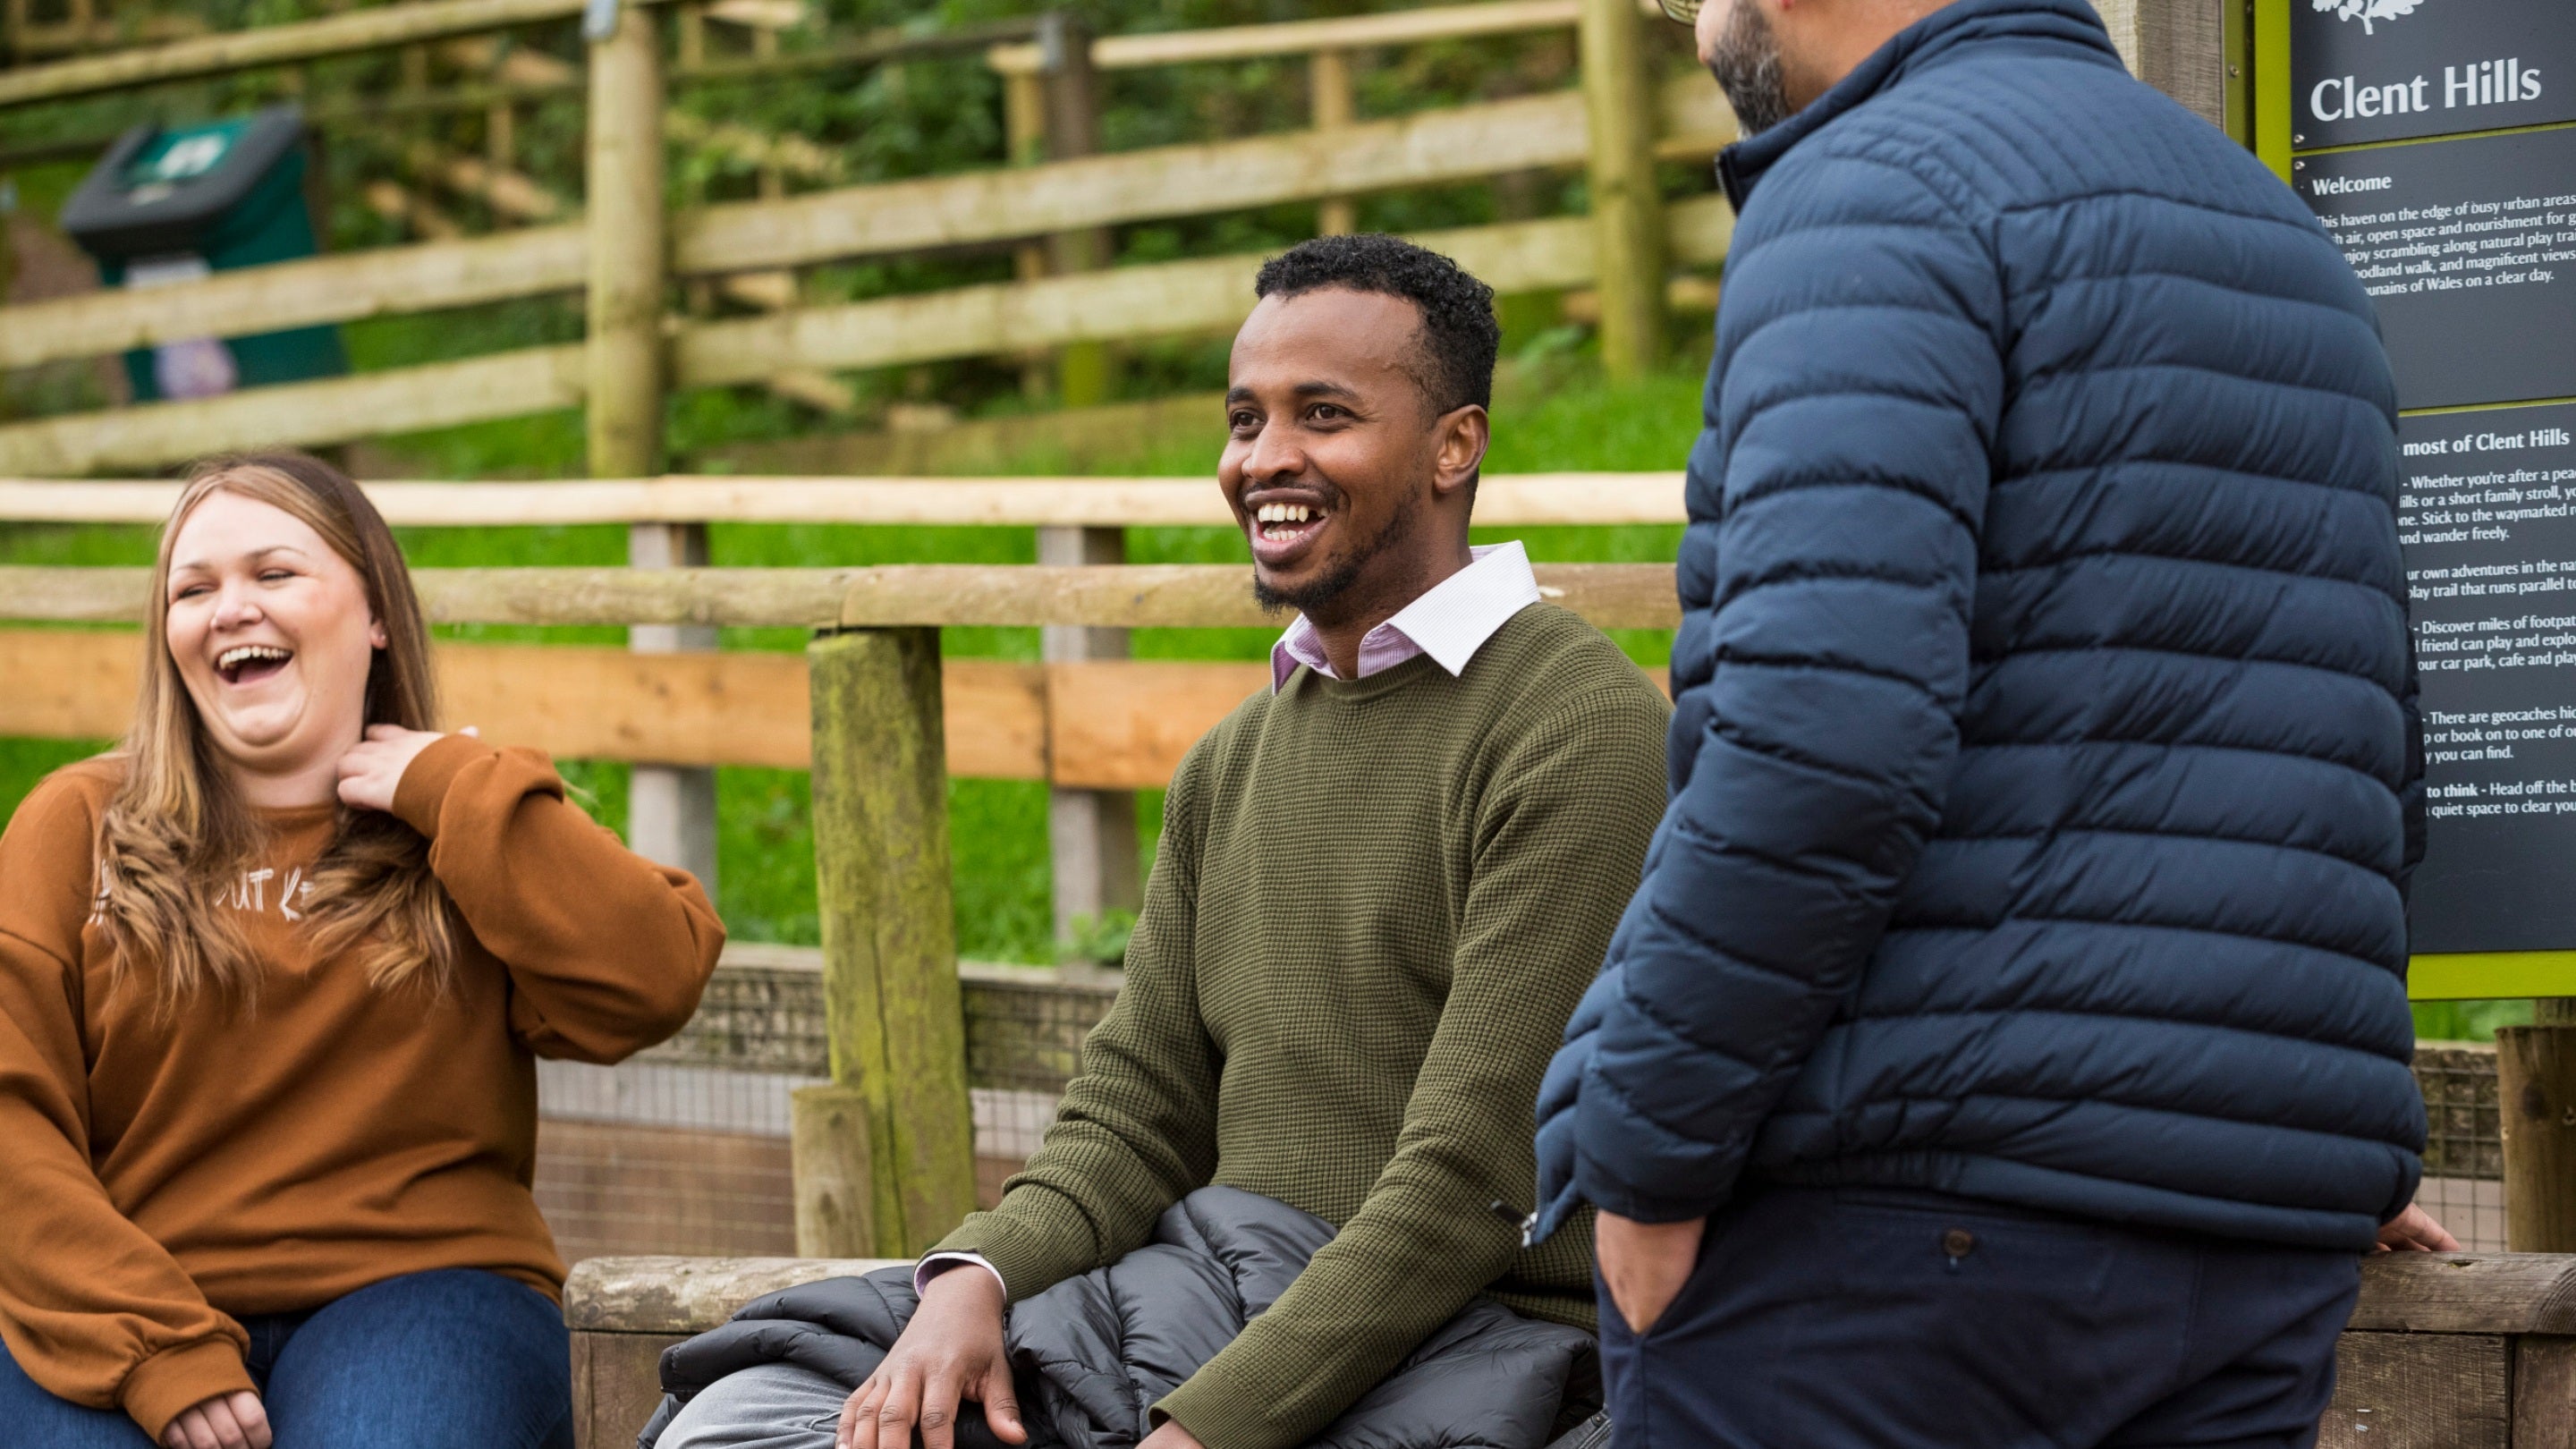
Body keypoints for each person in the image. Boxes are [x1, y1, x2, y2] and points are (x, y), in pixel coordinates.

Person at [1529, 0, 2457, 1445]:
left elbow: (1822, 738)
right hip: (2244, 1258)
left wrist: (1648, 1150)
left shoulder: (1869, 189)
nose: (1691, 21)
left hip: (1898, 1239)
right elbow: (2364, 728)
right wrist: (2273, 1110)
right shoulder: (2277, 229)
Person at [651, 236, 1672, 1449]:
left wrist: (1204, 1434)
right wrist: (971, 1279)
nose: (1265, 460)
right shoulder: (1236, 758)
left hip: (1471, 1337)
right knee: (747, 1413)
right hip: (1209, 1286)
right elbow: (1136, 1111)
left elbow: (1467, 1190)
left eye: (1324, 415)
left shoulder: (1577, 730)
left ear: (1456, 445)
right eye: (1246, 420)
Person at [0, 453, 724, 1449]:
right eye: (194, 589)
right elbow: (10, 1126)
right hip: (124, 1300)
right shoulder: (77, 826)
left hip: (426, 1290)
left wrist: (459, 790)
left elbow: (654, 981)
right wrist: (152, 1345)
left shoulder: (466, 823)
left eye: (275, 573)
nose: (229, 609)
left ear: (375, 611)